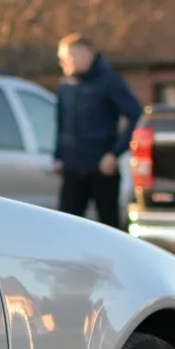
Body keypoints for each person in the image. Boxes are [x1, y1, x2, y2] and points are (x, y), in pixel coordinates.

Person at [53, 33, 144, 230]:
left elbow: (136, 115)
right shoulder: (66, 84)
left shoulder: (109, 82)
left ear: (86, 55)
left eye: (67, 58)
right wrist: (58, 155)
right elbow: (61, 123)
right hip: (72, 167)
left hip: (102, 167)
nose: (63, 63)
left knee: (109, 227)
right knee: (65, 225)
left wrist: (115, 153)